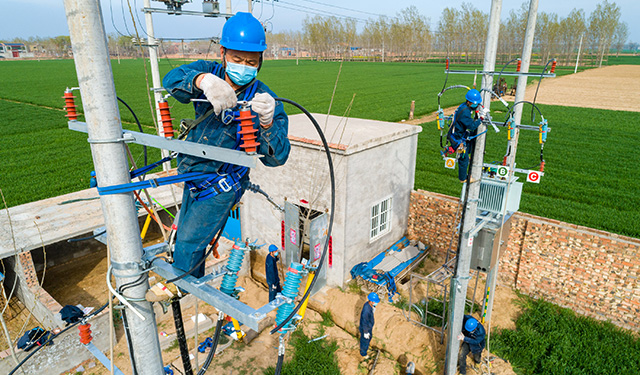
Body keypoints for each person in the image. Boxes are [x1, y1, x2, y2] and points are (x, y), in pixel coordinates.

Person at [162, 12, 291, 279]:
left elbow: (277, 158)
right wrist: (201, 81)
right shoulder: (208, 72)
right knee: (183, 234)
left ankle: (180, 286)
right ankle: (189, 278)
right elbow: (172, 79)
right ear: (223, 52)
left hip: (221, 184)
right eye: (237, 59)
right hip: (193, 174)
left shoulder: (264, 100)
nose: (244, 65)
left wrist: (266, 125)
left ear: (260, 61)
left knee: (188, 244)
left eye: (251, 61)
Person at [445, 89, 489, 183]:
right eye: (474, 103)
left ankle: (469, 153)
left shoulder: (464, 106)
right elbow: (472, 126)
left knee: (472, 138)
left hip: (458, 133)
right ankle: (463, 178)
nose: (476, 105)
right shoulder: (465, 112)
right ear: (469, 102)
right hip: (457, 137)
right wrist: (481, 117)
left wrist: (476, 113)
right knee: (463, 159)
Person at [359, 292, 380, 357]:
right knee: (365, 340)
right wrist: (365, 332)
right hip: (365, 328)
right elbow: (364, 321)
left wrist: (372, 309)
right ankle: (363, 353)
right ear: (371, 301)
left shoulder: (369, 305)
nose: (376, 303)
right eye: (375, 301)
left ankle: (366, 348)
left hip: (369, 327)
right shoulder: (366, 310)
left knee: (369, 338)